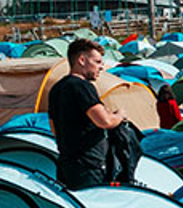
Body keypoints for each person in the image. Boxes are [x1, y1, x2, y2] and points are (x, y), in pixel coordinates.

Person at [48, 38, 128, 189]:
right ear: (82, 60)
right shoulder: (82, 86)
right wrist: (119, 115)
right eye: (97, 62)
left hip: (66, 163)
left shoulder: (57, 88)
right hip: (88, 165)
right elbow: (104, 121)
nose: (101, 67)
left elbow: (54, 128)